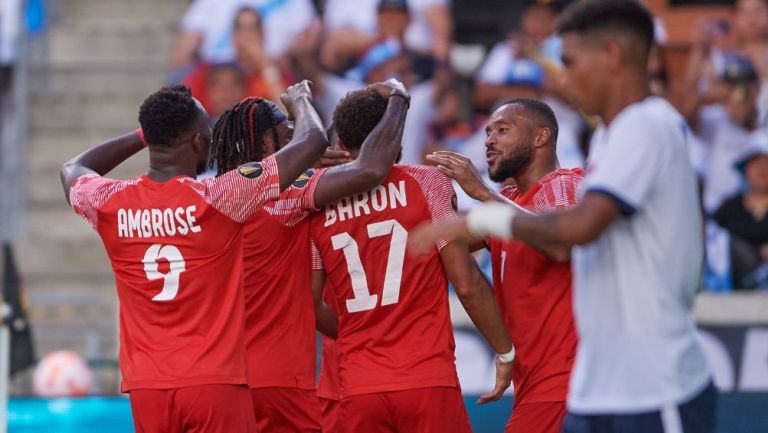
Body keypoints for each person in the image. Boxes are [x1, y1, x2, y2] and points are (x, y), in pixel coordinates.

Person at [409, 2, 717, 433]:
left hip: (652, 383)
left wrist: (477, 211)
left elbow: (566, 235)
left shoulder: (642, 128)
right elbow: (455, 245)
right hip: (596, 386)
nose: (562, 79)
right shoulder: (612, 136)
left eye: (568, 62)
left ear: (612, 55)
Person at [59, 82, 328, 433]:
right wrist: (302, 100)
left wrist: (146, 133)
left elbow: (73, 168)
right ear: (198, 142)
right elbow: (312, 143)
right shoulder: (220, 196)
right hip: (213, 383)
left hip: (147, 388)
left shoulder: (111, 201)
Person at [205, 79, 410, 432]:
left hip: (217, 378)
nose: (296, 152)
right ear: (266, 143)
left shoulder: (209, 195)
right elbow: (369, 169)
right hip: (277, 379)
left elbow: (329, 153)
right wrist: (398, 99)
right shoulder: (287, 198)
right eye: (287, 140)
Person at [309, 88, 516, 433]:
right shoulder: (427, 181)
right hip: (425, 376)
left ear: (341, 141)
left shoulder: (317, 203)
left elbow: (310, 302)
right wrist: (505, 351)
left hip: (357, 385)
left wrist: (357, 339)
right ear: (396, 133)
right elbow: (466, 284)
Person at [425, 98, 581, 433]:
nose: (489, 140)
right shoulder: (506, 206)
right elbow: (443, 247)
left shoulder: (564, 183)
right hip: (535, 385)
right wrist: (429, 192)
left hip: (566, 384)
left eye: (503, 130)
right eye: (487, 132)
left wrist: (482, 193)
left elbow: (561, 243)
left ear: (540, 137)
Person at [182, 7, 292, 115]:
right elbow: (183, 110)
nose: (246, 36)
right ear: (233, 35)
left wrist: (266, 67)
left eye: (251, 29)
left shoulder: (278, 75)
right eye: (240, 29)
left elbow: (288, 116)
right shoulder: (211, 71)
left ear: (262, 34)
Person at [713, 141, 768, 288]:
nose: (763, 169)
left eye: (767, 163)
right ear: (745, 169)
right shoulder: (730, 207)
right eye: (756, 163)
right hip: (735, 285)